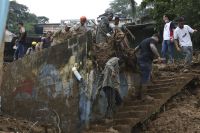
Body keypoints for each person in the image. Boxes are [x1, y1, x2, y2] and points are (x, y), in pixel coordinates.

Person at [134, 34, 161, 100]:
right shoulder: (152, 40)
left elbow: (136, 49)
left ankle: (139, 95)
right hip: (146, 61)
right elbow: (152, 46)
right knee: (145, 78)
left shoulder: (143, 41)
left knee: (143, 77)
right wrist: (158, 56)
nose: (157, 43)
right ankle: (144, 96)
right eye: (157, 42)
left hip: (140, 61)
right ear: (156, 38)